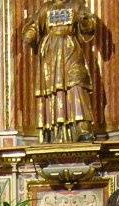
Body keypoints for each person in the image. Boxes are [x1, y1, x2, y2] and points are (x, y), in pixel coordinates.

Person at [22, 0, 99, 142]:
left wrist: (84, 21)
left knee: (76, 85)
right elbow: (34, 26)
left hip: (70, 48)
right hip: (50, 52)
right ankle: (52, 131)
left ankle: (82, 128)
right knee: (54, 90)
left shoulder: (76, 5)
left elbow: (90, 26)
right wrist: (30, 34)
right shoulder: (46, 8)